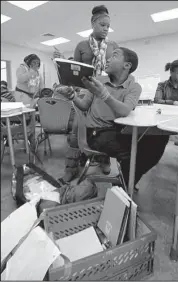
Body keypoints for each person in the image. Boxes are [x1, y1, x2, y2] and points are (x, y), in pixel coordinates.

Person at [56, 47, 170, 187]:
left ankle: (126, 181)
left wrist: (104, 94)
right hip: (96, 132)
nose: (108, 59)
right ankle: (124, 186)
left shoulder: (134, 87)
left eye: (114, 56)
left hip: (119, 130)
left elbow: (125, 110)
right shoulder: (98, 80)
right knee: (134, 154)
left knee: (160, 138)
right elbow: (84, 105)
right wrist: (72, 96)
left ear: (127, 65)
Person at [54, 5, 119, 183]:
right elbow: (74, 71)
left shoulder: (113, 46)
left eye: (108, 26)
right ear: (93, 23)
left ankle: (104, 159)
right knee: (76, 130)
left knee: (105, 128)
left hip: (104, 92)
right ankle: (71, 168)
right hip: (83, 91)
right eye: (102, 25)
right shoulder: (81, 46)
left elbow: (117, 70)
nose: (106, 29)